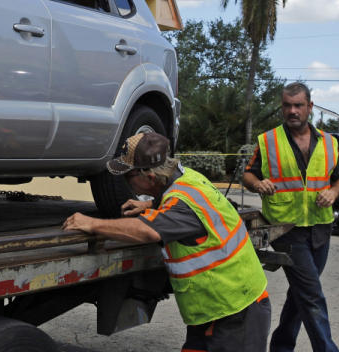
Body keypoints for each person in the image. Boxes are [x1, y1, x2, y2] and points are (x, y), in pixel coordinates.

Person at [63, 132, 270, 352]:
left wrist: (92, 224)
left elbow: (146, 231)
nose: (124, 183)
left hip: (236, 312)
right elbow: (179, 202)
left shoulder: (181, 205)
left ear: (149, 177)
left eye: (127, 176)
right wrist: (151, 204)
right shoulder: (186, 177)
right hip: (217, 310)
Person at [242, 82, 339, 352]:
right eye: (287, 106)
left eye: (298, 105)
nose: (292, 111)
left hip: (321, 227)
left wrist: (334, 194)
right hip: (285, 228)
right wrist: (258, 184)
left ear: (309, 107)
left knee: (301, 293)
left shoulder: (329, 142)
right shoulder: (267, 141)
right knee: (311, 294)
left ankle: (281, 346)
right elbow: (248, 174)